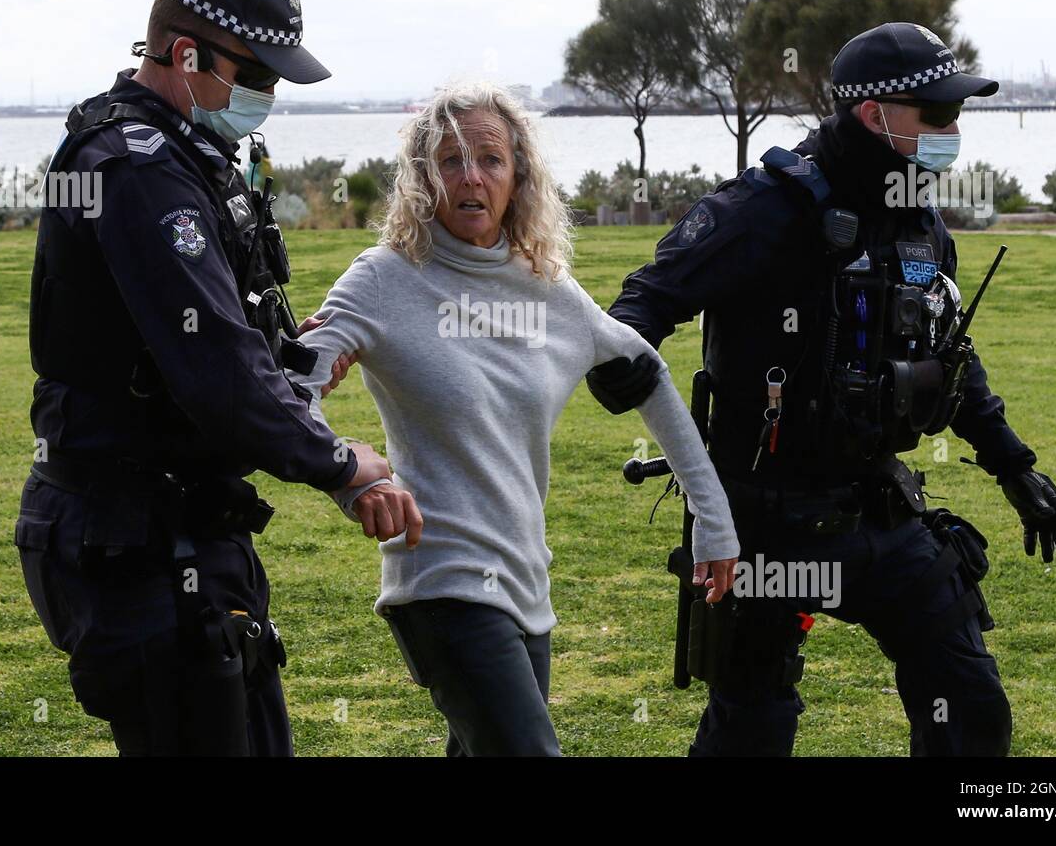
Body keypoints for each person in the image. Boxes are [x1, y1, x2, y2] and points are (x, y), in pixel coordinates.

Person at [588, 22, 1056, 757]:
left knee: (970, 706)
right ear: (874, 117)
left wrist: (1015, 466)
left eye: (956, 113)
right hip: (763, 524)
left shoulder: (921, 221)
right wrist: (621, 354)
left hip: (879, 511)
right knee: (752, 724)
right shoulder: (762, 208)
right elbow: (648, 298)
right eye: (937, 114)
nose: (952, 130)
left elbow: (952, 356)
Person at [15, 0, 420, 757]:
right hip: (135, 543)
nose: (265, 97)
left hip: (181, 534)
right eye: (258, 76)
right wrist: (341, 463)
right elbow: (214, 375)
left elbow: (228, 339)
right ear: (188, 54)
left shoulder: (181, 153)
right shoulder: (136, 169)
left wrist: (295, 364)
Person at [290, 83, 739, 756]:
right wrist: (351, 478)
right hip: (438, 579)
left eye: (490, 160)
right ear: (423, 178)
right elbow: (291, 390)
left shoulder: (548, 290)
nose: (471, 175)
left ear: (518, 176)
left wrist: (714, 521)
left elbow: (648, 377)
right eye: (450, 159)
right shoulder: (383, 279)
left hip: (527, 583)